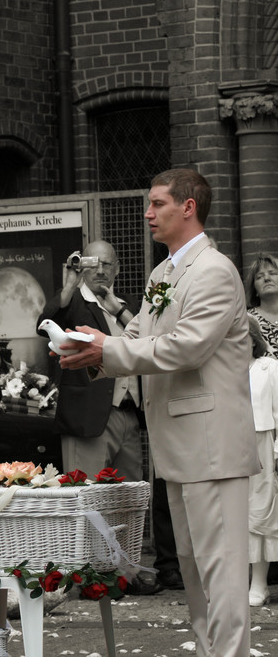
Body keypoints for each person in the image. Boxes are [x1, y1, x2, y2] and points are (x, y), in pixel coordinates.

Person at [59, 168, 260, 657]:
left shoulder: (214, 270)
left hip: (212, 444)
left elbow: (185, 348)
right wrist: (88, 347)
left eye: (157, 204)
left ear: (188, 207)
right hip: (177, 445)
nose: (148, 213)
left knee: (221, 571)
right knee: (193, 570)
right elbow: (136, 338)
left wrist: (108, 349)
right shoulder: (162, 273)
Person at [36, 240, 143, 482]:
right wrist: (69, 286)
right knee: (87, 497)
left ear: (117, 268)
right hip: (87, 417)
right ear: (82, 267)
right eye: (93, 264)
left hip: (129, 414)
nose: (101, 271)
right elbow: (44, 326)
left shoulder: (129, 305)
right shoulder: (72, 302)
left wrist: (118, 310)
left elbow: (149, 338)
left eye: (107, 265)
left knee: (130, 497)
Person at [247, 316, 278, 606]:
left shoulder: (269, 367)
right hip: (227, 445)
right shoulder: (221, 371)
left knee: (260, 512)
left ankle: (260, 584)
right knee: (230, 513)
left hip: (262, 444)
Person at [245, 253, 278, 358]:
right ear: (255, 290)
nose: (267, 278)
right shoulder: (247, 320)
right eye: (259, 277)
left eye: (272, 273)